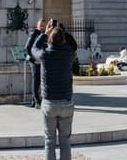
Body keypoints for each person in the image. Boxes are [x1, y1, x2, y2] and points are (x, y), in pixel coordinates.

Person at [32, 19, 76, 160]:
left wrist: (44, 33)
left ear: (50, 39)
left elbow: (33, 49)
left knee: (49, 142)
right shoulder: (69, 53)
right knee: (65, 142)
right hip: (66, 102)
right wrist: (61, 29)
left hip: (49, 103)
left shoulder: (45, 54)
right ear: (63, 40)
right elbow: (74, 44)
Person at [25, 19, 46, 108]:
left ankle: (34, 100)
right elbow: (27, 48)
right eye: (41, 25)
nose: (42, 26)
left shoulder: (44, 34)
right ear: (37, 25)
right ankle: (37, 100)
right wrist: (34, 60)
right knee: (36, 80)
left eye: (44, 25)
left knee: (39, 80)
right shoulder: (34, 33)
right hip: (34, 61)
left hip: (40, 60)